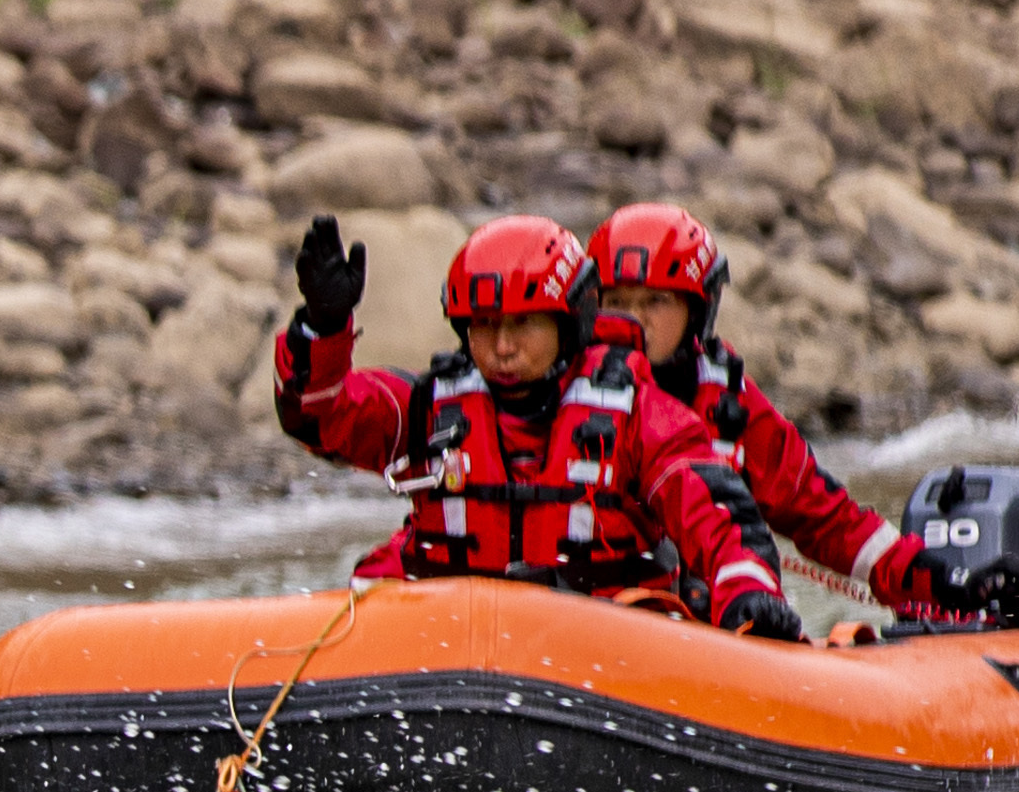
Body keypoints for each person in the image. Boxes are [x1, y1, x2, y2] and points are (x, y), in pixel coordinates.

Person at [272, 212, 795, 631]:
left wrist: (748, 589)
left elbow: (714, 513)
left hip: (604, 649)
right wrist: (323, 330)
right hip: (446, 641)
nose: (502, 347)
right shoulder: (428, 405)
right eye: (485, 326)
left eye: (523, 324)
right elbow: (321, 417)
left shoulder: (638, 412)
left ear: (570, 321)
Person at [588, 203, 951, 621]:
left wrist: (930, 576)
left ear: (697, 307)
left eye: (656, 301)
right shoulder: (562, 393)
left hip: (702, 626)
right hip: (594, 620)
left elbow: (820, 513)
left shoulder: (728, 400)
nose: (634, 320)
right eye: (616, 301)